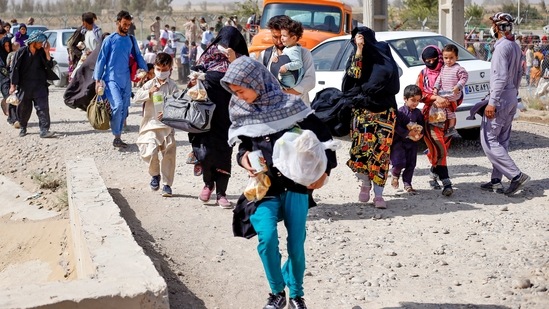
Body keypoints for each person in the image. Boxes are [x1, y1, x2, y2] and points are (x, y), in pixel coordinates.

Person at [221, 56, 337, 309]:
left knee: (296, 244)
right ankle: (276, 293)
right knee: (267, 238)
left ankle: (296, 294)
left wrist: (323, 172)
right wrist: (243, 160)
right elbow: (243, 146)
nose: (238, 97)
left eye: (241, 90)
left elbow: (324, 139)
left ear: (257, 82)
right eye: (234, 92)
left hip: (296, 186)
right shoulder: (242, 110)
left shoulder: (291, 106)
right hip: (265, 187)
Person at [189, 26, 248, 209]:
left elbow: (240, 79)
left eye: (229, 44)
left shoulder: (241, 61)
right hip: (205, 113)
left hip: (228, 115)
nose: (225, 47)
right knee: (205, 151)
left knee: (224, 152)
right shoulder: (209, 54)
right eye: (223, 42)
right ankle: (208, 184)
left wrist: (212, 74)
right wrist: (196, 77)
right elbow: (196, 73)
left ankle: (221, 192)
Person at [342, 26, 400, 209]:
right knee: (361, 152)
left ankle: (379, 195)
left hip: (385, 112)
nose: (359, 43)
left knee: (381, 154)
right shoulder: (355, 57)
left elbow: (391, 77)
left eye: (362, 40)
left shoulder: (383, 53)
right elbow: (354, 75)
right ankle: (365, 184)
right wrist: (358, 50)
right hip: (363, 112)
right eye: (356, 41)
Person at [480, 12, 530, 196]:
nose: (491, 28)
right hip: (510, 97)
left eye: (493, 24)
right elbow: (518, 75)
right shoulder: (515, 46)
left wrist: (492, 103)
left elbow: (500, 78)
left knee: (489, 140)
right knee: (501, 140)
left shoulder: (501, 48)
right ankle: (496, 180)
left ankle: (516, 176)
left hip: (500, 99)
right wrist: (513, 94)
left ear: (497, 27)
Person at [93, 11, 148, 148]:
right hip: (111, 79)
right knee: (117, 106)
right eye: (124, 24)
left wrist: (146, 69)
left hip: (126, 80)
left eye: (128, 25)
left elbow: (138, 56)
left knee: (124, 108)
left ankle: (118, 137)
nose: (126, 27)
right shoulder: (109, 40)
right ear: (118, 22)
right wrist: (97, 80)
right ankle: (116, 133)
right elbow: (101, 60)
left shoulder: (131, 39)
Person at [133, 53, 179, 197]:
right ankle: (155, 175)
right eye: (158, 68)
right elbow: (136, 99)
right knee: (150, 151)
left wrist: (168, 111)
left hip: (166, 126)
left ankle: (166, 184)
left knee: (169, 155)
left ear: (170, 69)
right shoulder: (149, 84)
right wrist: (149, 92)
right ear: (155, 68)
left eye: (164, 69)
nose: (161, 72)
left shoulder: (172, 86)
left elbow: (178, 104)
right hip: (150, 125)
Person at [417, 45, 455, 196]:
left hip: (448, 116)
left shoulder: (449, 72)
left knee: (442, 148)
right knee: (439, 147)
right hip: (430, 118)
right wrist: (435, 98)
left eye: (434, 60)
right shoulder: (423, 74)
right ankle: (447, 182)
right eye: (427, 61)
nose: (431, 62)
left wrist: (448, 101)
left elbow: (459, 94)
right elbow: (419, 94)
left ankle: (433, 173)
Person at [260, 15, 315, 106]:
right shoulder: (265, 55)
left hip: (298, 111)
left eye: (282, 37)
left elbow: (310, 81)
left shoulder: (303, 54)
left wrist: (284, 94)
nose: (279, 41)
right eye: (275, 37)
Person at [9, 30, 55, 138]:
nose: (41, 44)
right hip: (25, 86)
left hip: (40, 85)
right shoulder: (21, 52)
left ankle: (44, 130)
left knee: (43, 108)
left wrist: (47, 51)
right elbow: (14, 69)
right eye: (40, 42)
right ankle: (23, 127)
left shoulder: (42, 52)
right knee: (23, 109)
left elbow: (49, 64)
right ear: (34, 42)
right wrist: (13, 85)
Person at [390, 85, 424, 193]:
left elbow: (422, 125)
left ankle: (407, 183)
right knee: (399, 162)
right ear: (405, 99)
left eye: (418, 101)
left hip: (412, 142)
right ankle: (395, 175)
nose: (415, 103)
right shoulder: (400, 112)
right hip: (399, 142)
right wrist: (407, 133)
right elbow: (396, 127)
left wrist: (421, 134)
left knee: (411, 164)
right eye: (413, 100)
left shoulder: (418, 113)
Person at [432, 44, 469, 138]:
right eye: (446, 58)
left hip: (453, 93)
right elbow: (439, 79)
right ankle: (445, 125)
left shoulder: (458, 68)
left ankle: (449, 126)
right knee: (443, 108)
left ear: (457, 57)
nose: (448, 60)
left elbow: (464, 77)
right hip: (444, 93)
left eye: (451, 58)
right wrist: (436, 87)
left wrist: (458, 86)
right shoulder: (443, 68)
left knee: (445, 107)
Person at [275, 20, 304, 90]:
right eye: (281, 35)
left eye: (284, 36)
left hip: (290, 80)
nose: (281, 38)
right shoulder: (288, 48)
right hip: (286, 78)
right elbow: (285, 59)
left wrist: (286, 67)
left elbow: (298, 63)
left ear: (294, 38)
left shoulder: (294, 50)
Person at [0, 37, 13, 126]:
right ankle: (12, 118)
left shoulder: (13, 54)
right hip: (3, 79)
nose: (7, 48)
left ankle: (13, 117)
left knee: (14, 98)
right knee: (9, 97)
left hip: (12, 79)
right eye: (5, 46)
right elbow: (2, 68)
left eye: (9, 46)